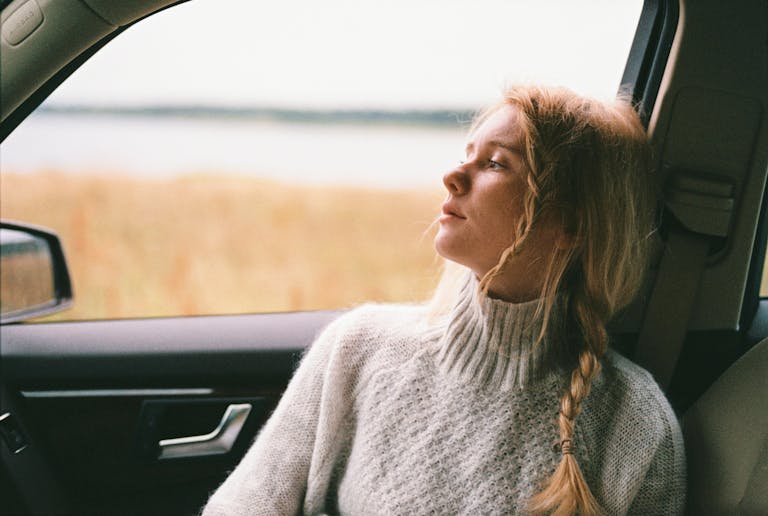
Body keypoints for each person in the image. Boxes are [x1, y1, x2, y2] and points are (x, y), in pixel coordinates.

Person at [202, 85, 686, 515]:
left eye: (495, 163)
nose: (453, 176)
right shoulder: (359, 347)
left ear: (572, 225)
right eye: (466, 154)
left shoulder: (634, 423)